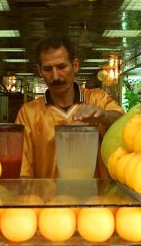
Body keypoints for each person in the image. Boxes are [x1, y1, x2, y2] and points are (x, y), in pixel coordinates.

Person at [15, 36, 124, 178]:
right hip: (48, 198)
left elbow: (123, 123)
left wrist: (104, 116)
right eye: (48, 69)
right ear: (40, 71)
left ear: (75, 65)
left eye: (61, 67)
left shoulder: (97, 98)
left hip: (95, 198)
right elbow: (24, 172)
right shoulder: (29, 113)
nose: (55, 76)